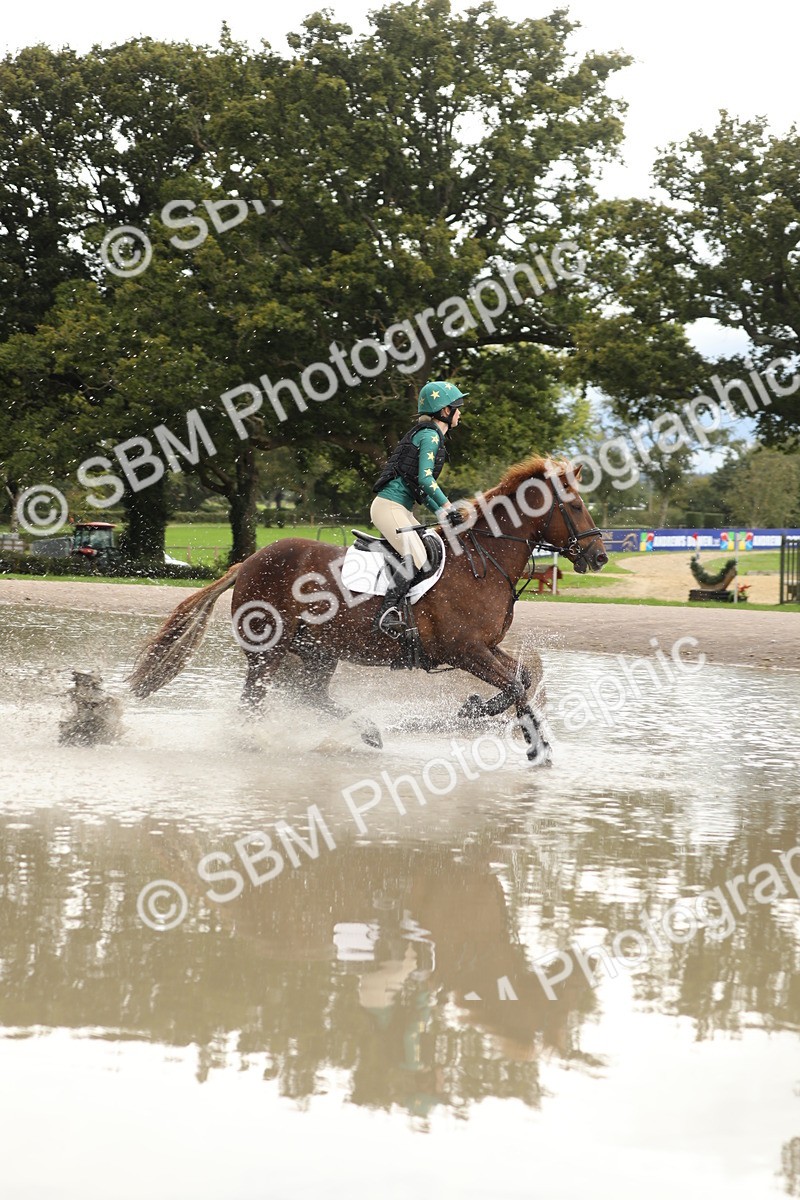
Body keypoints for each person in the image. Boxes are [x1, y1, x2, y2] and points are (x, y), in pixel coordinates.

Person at [370, 380, 468, 635]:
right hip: (388, 507)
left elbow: (421, 488)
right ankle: (387, 613)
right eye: (457, 407)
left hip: (400, 508)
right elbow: (426, 480)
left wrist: (441, 514)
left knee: (431, 548)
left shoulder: (429, 435)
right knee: (417, 556)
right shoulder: (430, 436)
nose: (461, 413)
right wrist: (447, 506)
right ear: (445, 412)